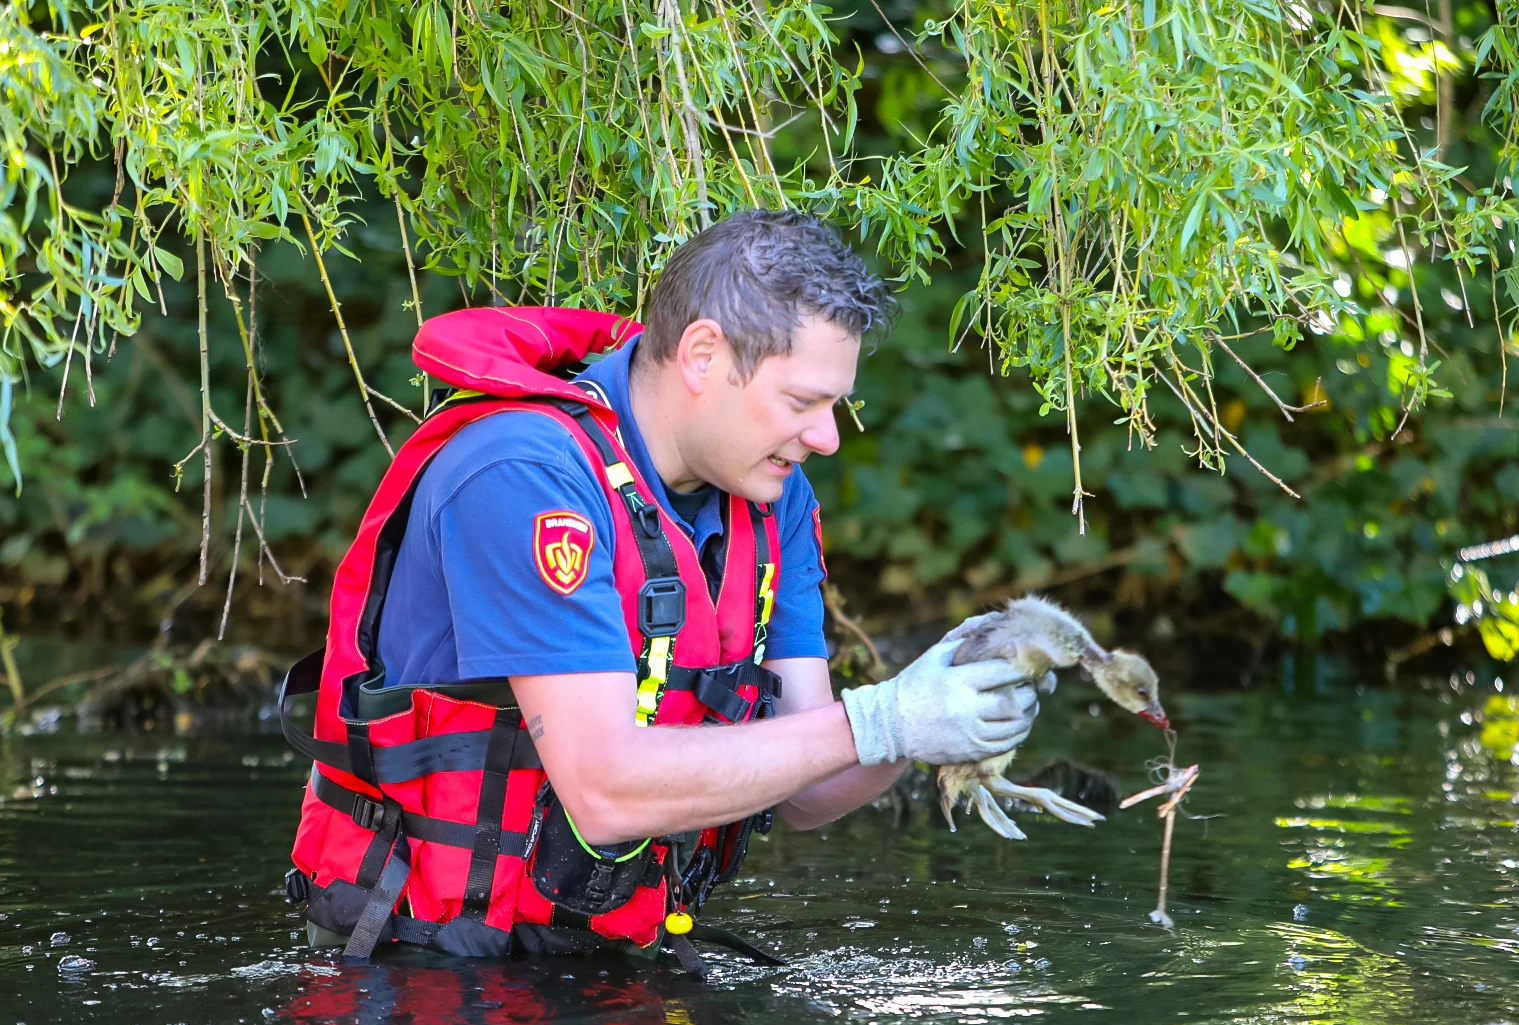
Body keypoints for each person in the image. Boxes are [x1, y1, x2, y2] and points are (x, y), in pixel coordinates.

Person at [279, 211, 1041, 968]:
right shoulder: (523, 475)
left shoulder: (776, 498)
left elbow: (808, 791)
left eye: (834, 405)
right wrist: (880, 722)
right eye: (803, 402)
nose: (827, 437)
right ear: (704, 355)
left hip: (604, 959)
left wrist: (929, 711)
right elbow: (604, 787)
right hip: (429, 971)